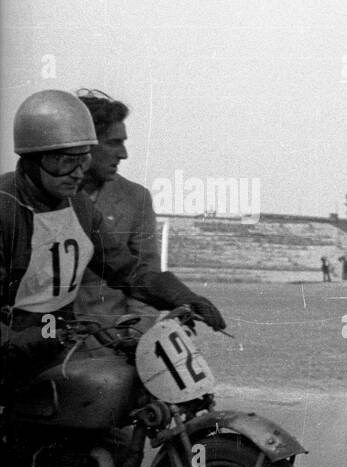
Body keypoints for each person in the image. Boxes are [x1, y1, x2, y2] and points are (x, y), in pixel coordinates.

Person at [1, 89, 225, 390]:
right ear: (32, 159)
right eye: (65, 161)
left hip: (56, 356)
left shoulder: (77, 206)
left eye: (83, 160)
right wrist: (22, 341)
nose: (77, 173)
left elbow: (126, 269)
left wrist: (183, 296)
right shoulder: (5, 208)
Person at [71, 91, 161, 330]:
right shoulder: (37, 196)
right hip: (40, 352)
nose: (123, 154)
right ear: (84, 143)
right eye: (113, 142)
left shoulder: (136, 199)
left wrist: (134, 339)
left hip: (109, 351)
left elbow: (145, 282)